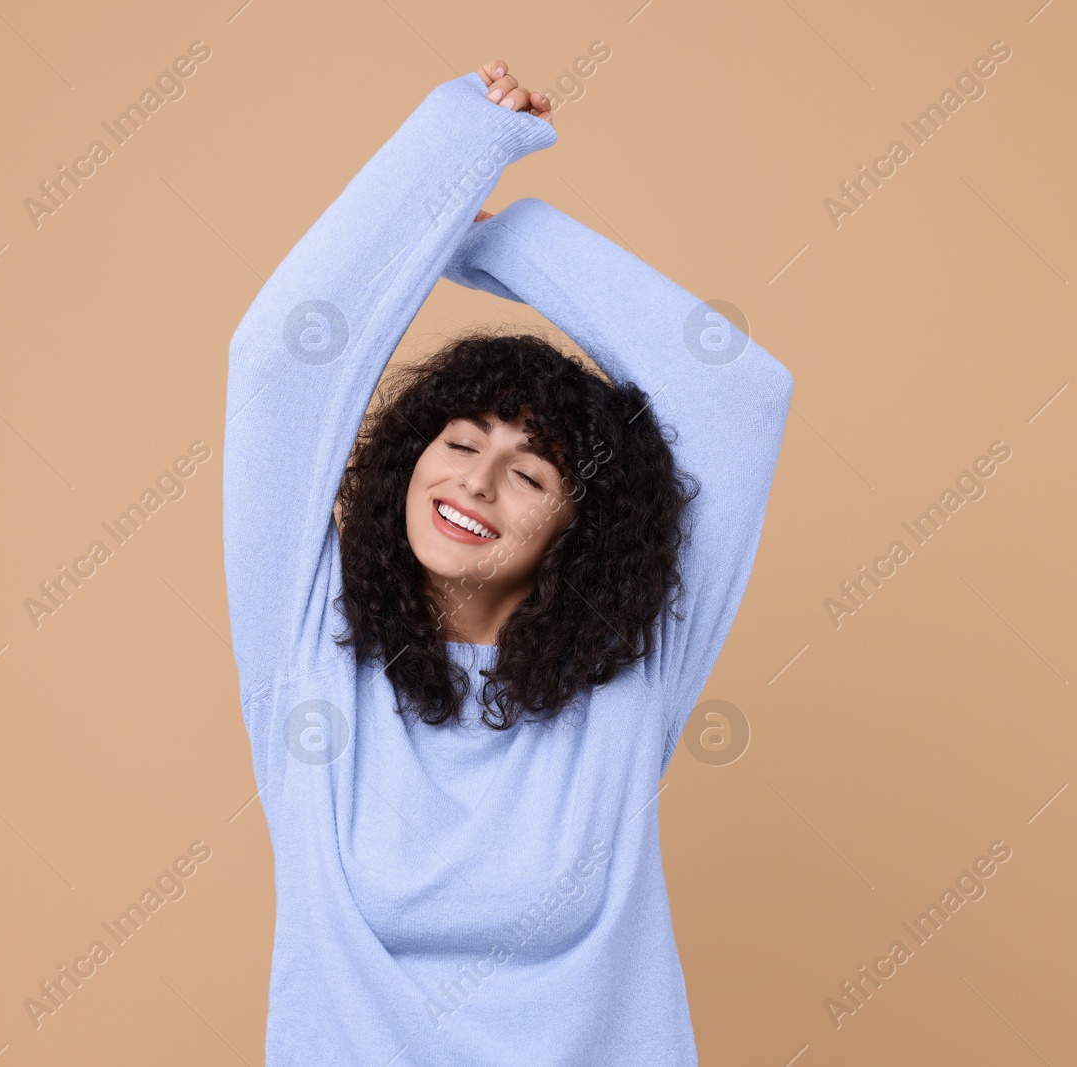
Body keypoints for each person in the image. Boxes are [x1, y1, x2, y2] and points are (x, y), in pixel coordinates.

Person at [222, 58, 792, 1066]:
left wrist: (499, 239)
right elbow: (281, 360)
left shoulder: (630, 674)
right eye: (458, 442)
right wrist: (450, 161)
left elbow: (738, 396)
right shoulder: (305, 648)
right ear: (409, 460)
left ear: (580, 529)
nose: (476, 483)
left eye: (530, 475)